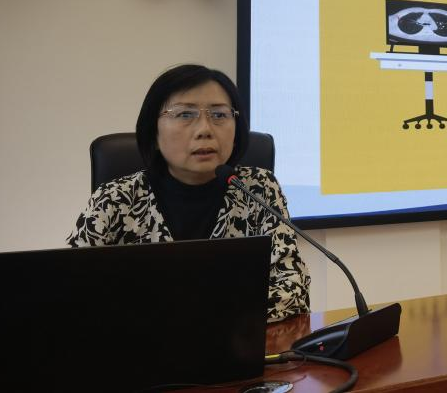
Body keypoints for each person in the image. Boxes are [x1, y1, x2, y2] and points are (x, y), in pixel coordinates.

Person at [67, 64, 310, 321]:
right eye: (185, 114)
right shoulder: (115, 198)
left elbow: (292, 287)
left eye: (219, 115)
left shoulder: (258, 188)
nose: (205, 129)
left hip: (236, 342)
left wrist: (196, 317)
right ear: (153, 131)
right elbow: (71, 290)